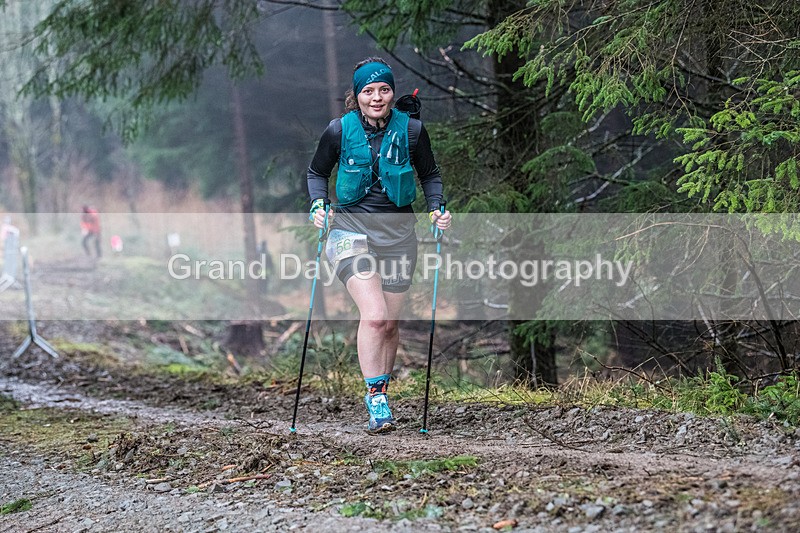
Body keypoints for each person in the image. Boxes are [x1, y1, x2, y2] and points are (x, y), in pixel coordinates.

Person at [307, 57, 452, 433]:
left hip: (400, 236)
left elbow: (430, 175)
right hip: (348, 232)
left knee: (389, 323)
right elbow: (316, 172)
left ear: (392, 92)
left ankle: (381, 392)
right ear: (356, 96)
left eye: (383, 89)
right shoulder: (338, 130)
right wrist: (318, 205)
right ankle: (375, 399)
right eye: (368, 91)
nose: (377, 97)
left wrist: (437, 208)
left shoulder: (414, 131)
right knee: (373, 315)